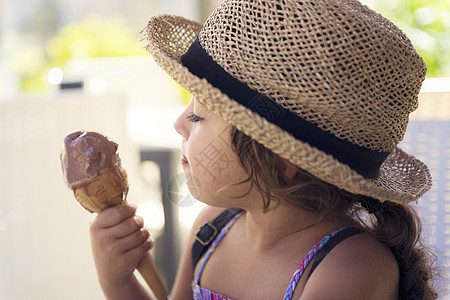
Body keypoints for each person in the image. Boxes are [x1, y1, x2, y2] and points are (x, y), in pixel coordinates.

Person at [89, 0, 440, 299]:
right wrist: (118, 280)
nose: (179, 123)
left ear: (281, 158)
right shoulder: (213, 226)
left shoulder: (350, 268)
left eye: (199, 115)